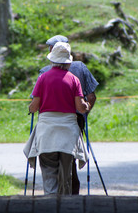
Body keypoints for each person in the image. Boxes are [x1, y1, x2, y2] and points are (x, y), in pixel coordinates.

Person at [23, 42, 89, 195]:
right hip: (67, 135)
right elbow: (80, 108)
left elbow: (33, 107)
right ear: (68, 62)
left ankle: (50, 203)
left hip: (47, 134)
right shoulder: (73, 79)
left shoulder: (43, 78)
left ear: (52, 60)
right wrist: (85, 105)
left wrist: (30, 107)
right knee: (66, 180)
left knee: (49, 177)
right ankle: (64, 206)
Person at [39, 35, 99, 195]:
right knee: (68, 162)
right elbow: (91, 96)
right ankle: (71, 198)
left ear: (52, 51)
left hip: (48, 125)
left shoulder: (44, 72)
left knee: (50, 160)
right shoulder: (81, 68)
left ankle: (52, 197)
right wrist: (84, 114)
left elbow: (36, 104)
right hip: (74, 121)